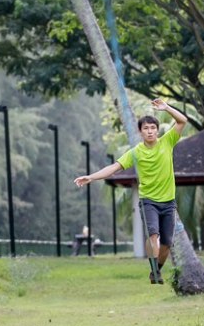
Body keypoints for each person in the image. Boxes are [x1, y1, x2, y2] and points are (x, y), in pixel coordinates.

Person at [74, 99, 187, 284]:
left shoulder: (167, 142)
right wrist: (91, 177)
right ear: (140, 131)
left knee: (166, 243)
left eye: (152, 128)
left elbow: (182, 121)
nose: (150, 131)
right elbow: (114, 167)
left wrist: (166, 108)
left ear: (157, 130)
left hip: (168, 202)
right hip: (148, 201)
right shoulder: (135, 152)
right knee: (153, 235)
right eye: (146, 128)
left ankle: (155, 270)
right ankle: (154, 269)